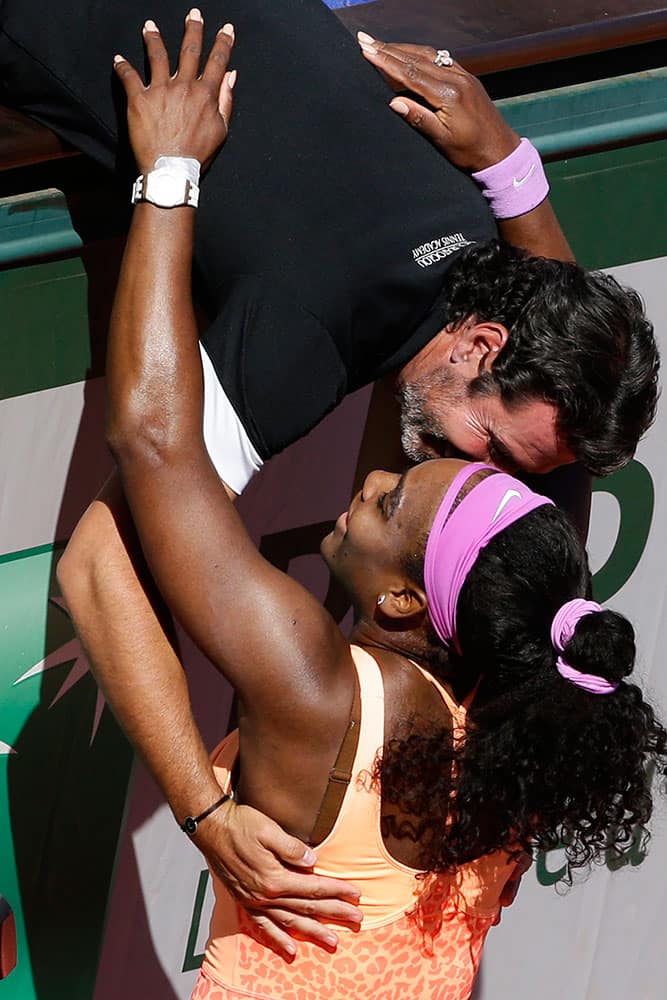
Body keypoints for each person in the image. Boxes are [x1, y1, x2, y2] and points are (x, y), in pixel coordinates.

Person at [6, 0, 655, 949]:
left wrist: (513, 172)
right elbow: (98, 569)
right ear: (483, 344)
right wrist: (201, 810)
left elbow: (558, 326)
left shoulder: (495, 263)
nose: (476, 481)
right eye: (496, 454)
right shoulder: (298, 346)